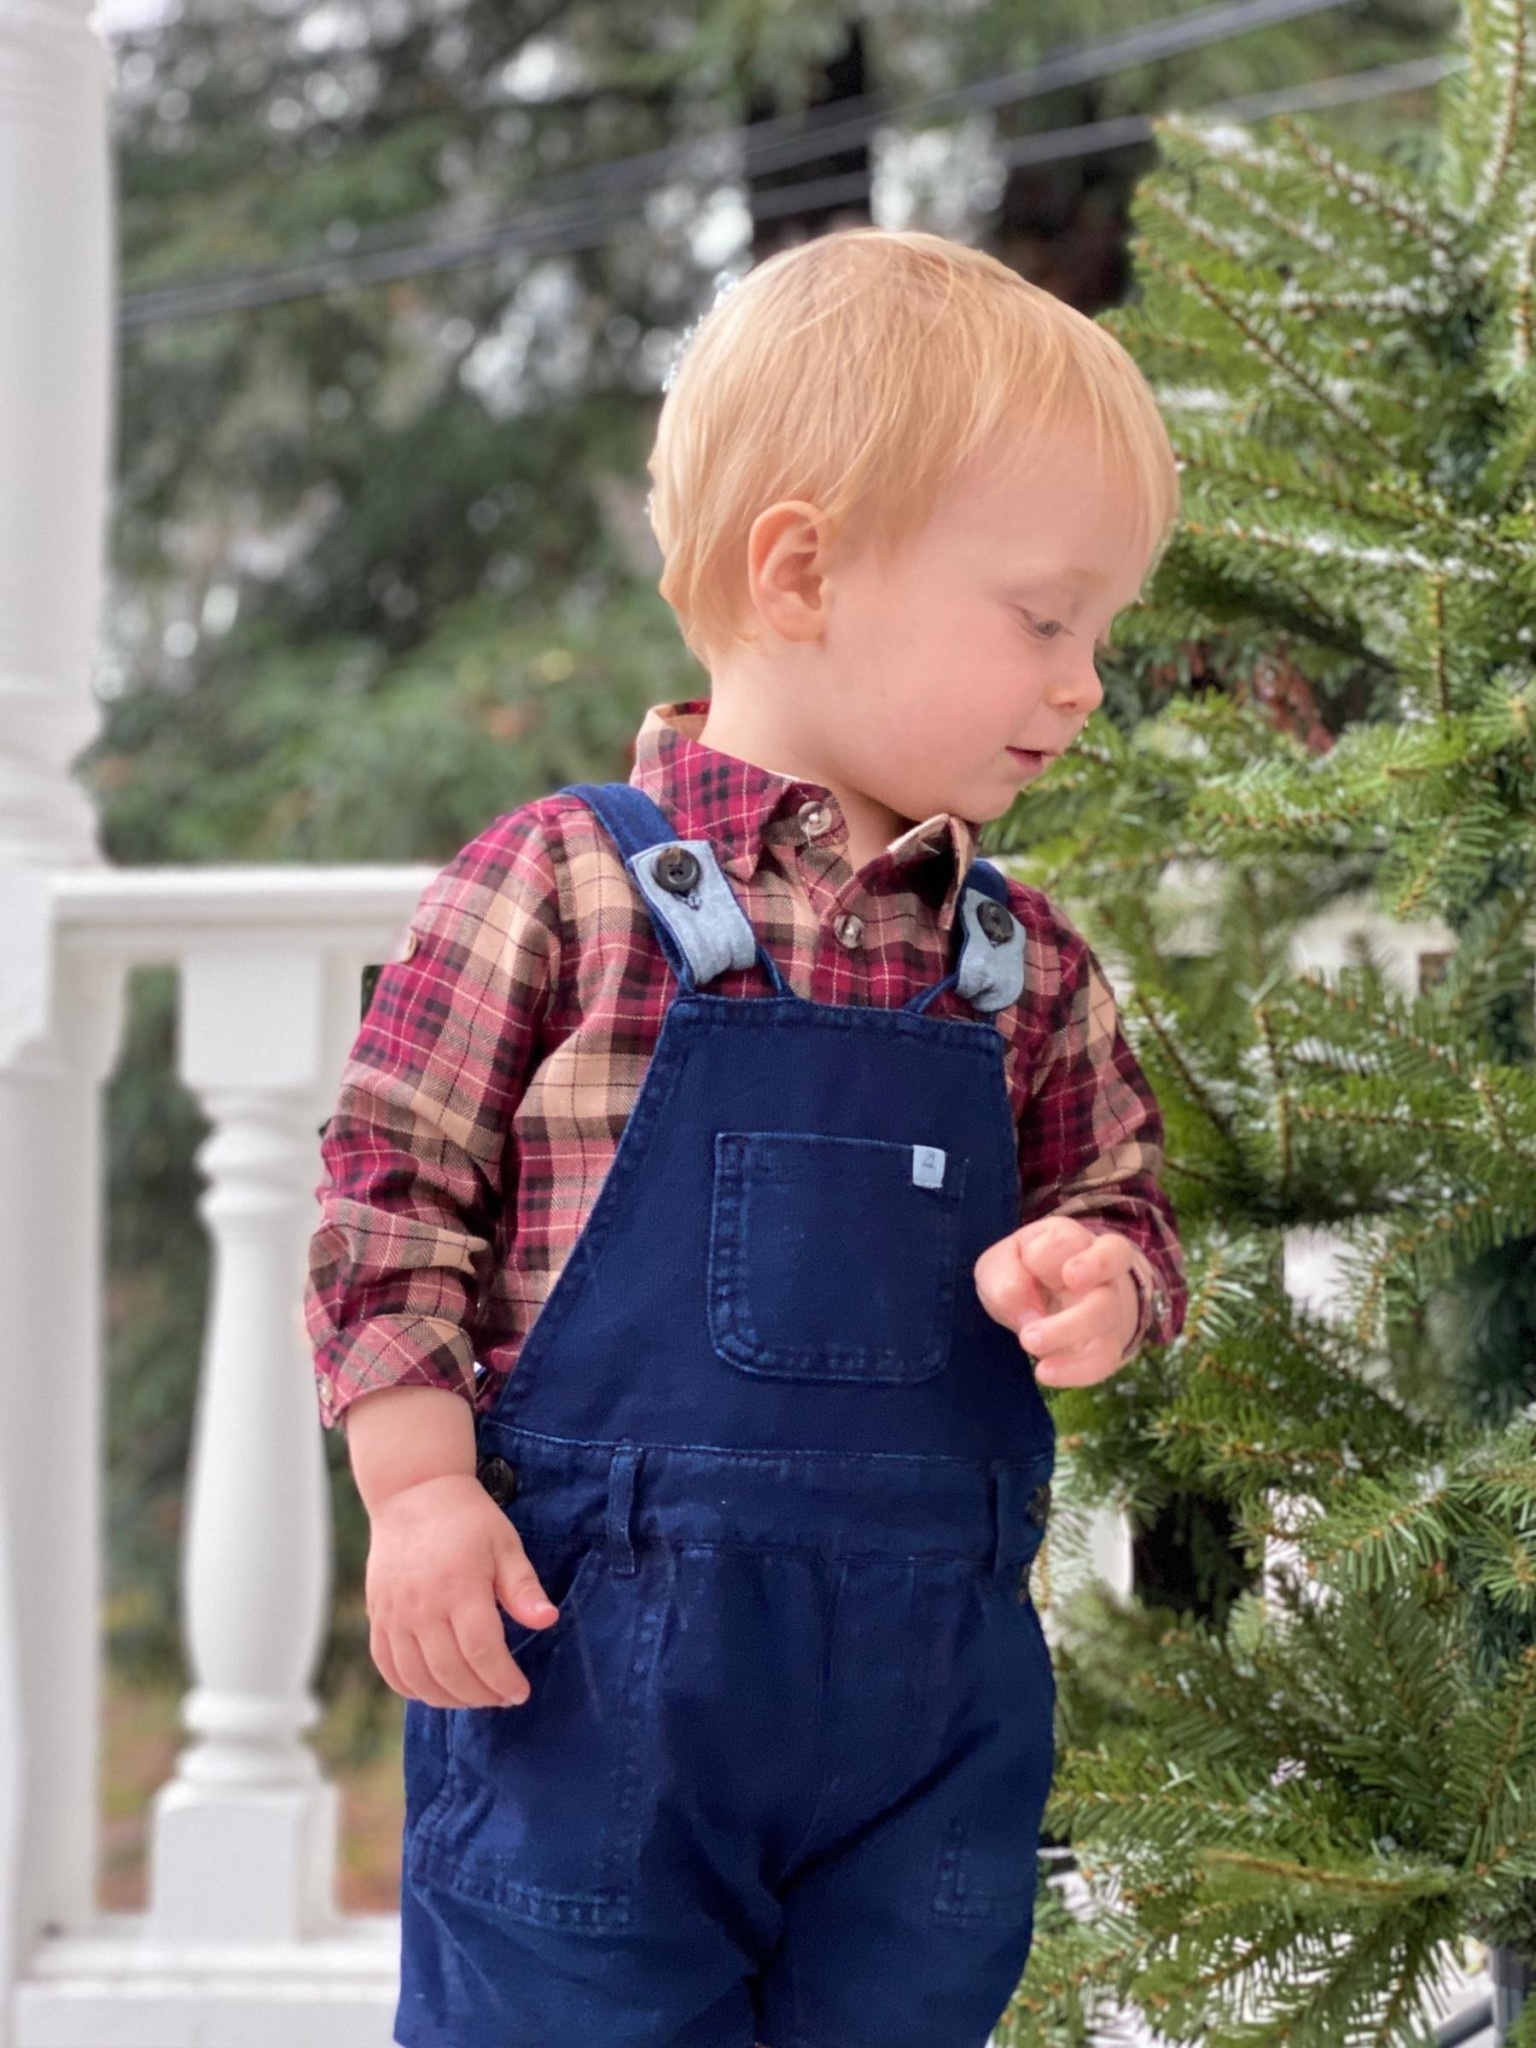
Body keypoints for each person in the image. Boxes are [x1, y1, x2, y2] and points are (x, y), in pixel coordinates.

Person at [305, 224, 1188, 2048]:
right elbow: (390, 1193)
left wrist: (1101, 1276)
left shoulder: (1024, 972)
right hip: (590, 1672)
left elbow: (1126, 1196)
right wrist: (416, 1491)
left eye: (1101, 632)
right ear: (801, 570)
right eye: (1044, 618)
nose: (1086, 680)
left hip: (926, 1707)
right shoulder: (558, 883)